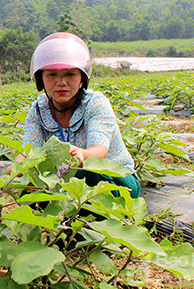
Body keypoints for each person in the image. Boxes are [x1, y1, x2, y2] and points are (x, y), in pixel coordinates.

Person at [15, 32, 140, 198]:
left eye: (70, 74)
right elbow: (29, 152)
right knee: (27, 184)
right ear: (41, 79)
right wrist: (16, 170)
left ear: (82, 76)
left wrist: (82, 155)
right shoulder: (38, 109)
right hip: (66, 178)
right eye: (52, 75)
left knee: (85, 173)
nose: (61, 82)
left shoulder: (96, 104)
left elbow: (99, 150)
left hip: (117, 179)